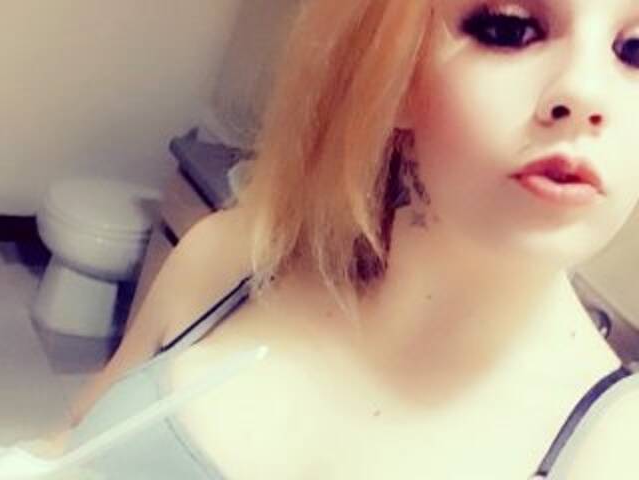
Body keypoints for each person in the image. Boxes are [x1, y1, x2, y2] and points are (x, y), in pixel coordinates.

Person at [37, 0, 639, 478]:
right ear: (396, 74)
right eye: (508, 29)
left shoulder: (616, 449)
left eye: (635, 50)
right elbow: (71, 441)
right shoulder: (229, 261)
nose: (585, 93)